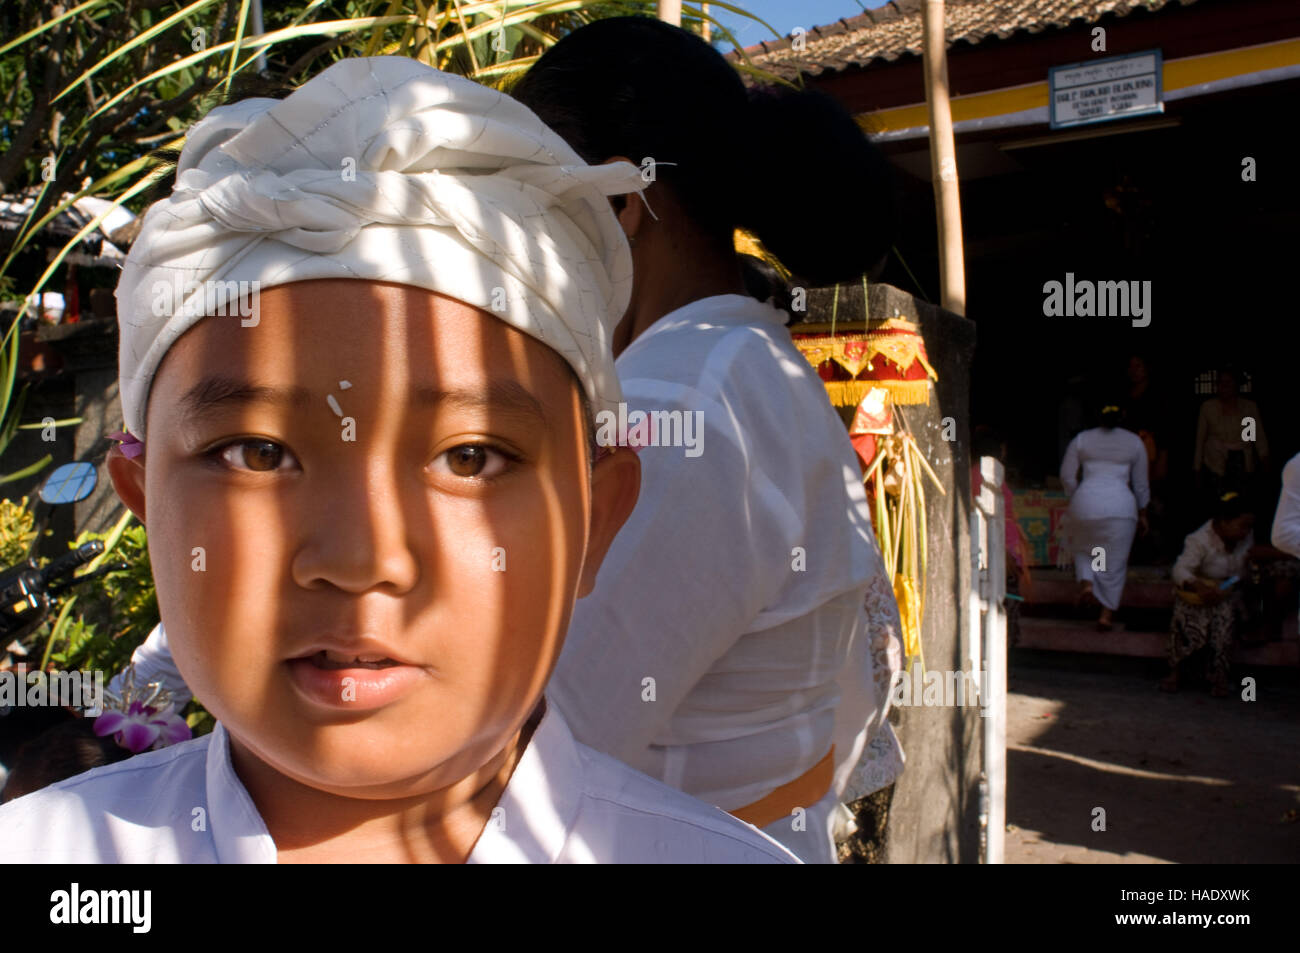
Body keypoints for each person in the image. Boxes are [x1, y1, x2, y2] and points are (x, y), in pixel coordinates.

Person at [73, 17, 903, 865]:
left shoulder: (682, 401)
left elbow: (516, 724)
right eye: (256, 450)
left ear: (617, 208)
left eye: (470, 457)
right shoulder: (758, 372)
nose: (362, 558)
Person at [510, 17, 903, 864]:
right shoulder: (740, 369)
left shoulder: (679, 403)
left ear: (620, 204)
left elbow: (523, 748)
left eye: (527, 206)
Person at [1162, 492, 1268, 697]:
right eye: (1242, 525)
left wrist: (1225, 586)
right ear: (1223, 523)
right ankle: (1175, 671)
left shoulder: (1245, 539)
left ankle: (1219, 674)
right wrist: (1198, 586)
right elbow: (1180, 570)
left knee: (1225, 615)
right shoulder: (1199, 540)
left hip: (1227, 592)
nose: (1246, 532)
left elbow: (1240, 573)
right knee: (1183, 615)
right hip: (1197, 591)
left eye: (1249, 527)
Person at [1060, 403, 1150, 631]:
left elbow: (1067, 476)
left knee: (1087, 550)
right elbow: (1140, 484)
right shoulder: (1134, 442)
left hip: (1085, 505)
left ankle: (1089, 585)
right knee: (1113, 564)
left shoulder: (1082, 439)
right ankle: (1105, 615)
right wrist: (1143, 512)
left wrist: (1077, 496)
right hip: (1120, 509)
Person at [1194, 366, 1270, 509]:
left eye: (1228, 383)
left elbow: (1255, 437)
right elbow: (1200, 440)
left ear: (1236, 385)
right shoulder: (1208, 407)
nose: (1224, 387)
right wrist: (1197, 469)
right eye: (1221, 383)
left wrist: (1264, 459)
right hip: (1215, 464)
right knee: (1218, 505)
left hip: (1242, 464)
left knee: (1241, 505)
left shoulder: (1248, 408)